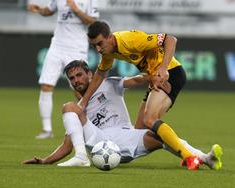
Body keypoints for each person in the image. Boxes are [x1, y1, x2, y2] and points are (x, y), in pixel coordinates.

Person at [23, 60, 223, 170]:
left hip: (127, 137)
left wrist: (149, 78)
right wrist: (45, 161)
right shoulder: (78, 109)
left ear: (90, 75)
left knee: (161, 136)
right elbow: (67, 143)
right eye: (72, 78)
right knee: (69, 107)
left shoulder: (108, 83)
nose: (76, 80)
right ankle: (82, 156)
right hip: (101, 143)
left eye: (79, 75)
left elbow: (134, 81)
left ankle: (206, 158)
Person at [78, 21, 207, 167]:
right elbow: (100, 74)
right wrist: (84, 102)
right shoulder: (108, 52)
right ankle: (203, 157)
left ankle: (189, 157)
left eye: (100, 43)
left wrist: (163, 69)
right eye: (94, 45)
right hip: (155, 77)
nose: (98, 49)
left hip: (171, 73)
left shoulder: (131, 40)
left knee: (150, 119)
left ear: (109, 37)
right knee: (140, 132)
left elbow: (170, 39)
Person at [27, 0, 99, 139]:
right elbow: (49, 10)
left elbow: (93, 21)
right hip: (57, 46)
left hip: (76, 46)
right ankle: (47, 130)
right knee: (46, 84)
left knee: (80, 89)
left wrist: (76, 9)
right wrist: (39, 9)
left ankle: (93, 124)